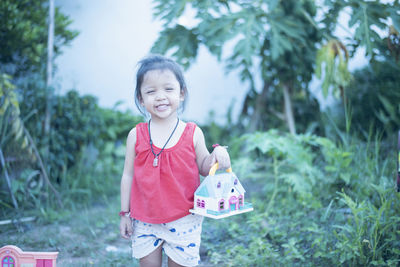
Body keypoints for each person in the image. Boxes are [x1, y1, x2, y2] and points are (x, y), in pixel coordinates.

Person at [119, 54, 231, 267]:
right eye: (151, 91)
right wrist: (125, 214)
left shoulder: (192, 132)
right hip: (145, 220)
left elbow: (204, 167)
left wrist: (217, 156)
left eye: (168, 89)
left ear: (182, 93)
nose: (160, 97)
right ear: (141, 99)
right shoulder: (136, 134)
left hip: (184, 219)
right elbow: (128, 175)